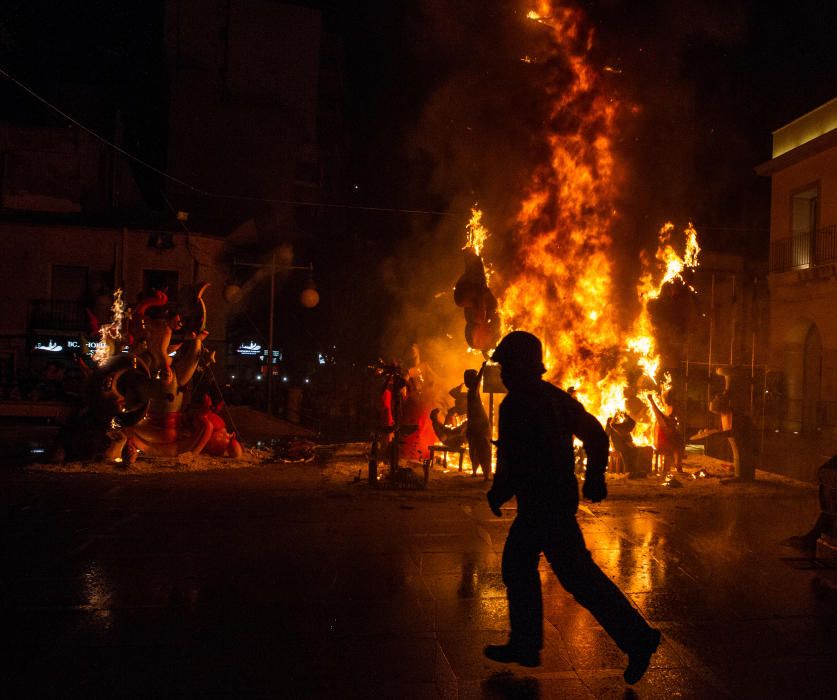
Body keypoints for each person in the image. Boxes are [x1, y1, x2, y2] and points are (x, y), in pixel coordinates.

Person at [484, 331, 661, 685]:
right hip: (556, 499)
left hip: (541, 503)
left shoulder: (516, 403)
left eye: (506, 365)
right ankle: (527, 643)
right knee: (542, 568)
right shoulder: (554, 398)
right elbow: (596, 434)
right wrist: (594, 477)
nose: (502, 373)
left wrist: (499, 492)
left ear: (522, 365)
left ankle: (636, 638)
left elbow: (514, 459)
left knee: (565, 574)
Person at [464, 364, 492, 479]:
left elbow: (477, 383)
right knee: (476, 448)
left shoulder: (472, 391)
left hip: (480, 425)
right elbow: (477, 383)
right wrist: (482, 369)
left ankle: (485, 473)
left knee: (482, 449)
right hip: (476, 425)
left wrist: (482, 369)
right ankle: (477, 471)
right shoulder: (471, 392)